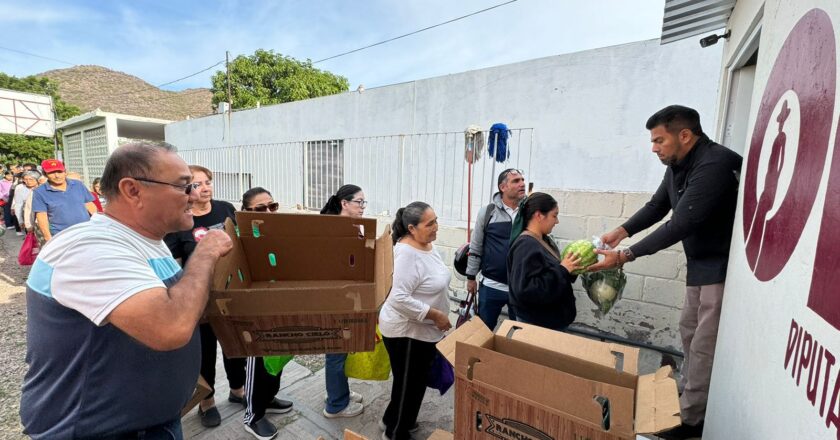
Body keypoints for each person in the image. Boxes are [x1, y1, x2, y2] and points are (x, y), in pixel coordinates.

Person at [20, 141, 233, 439]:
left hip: (153, 421)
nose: (194, 195)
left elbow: (180, 302)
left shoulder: (148, 240)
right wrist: (206, 252)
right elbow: (170, 326)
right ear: (133, 190)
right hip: (99, 431)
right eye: (185, 187)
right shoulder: (89, 247)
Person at [589, 105, 742, 439]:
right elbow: (659, 206)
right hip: (699, 268)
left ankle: (689, 421)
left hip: (721, 269)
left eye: (659, 140)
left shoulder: (716, 163)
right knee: (689, 332)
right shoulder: (677, 164)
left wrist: (624, 255)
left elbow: (682, 222)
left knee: (704, 345)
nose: (653, 148)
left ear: (684, 135)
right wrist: (622, 231)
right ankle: (686, 397)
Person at [163, 165, 254, 428]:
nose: (205, 188)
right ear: (186, 190)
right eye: (197, 184)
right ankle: (207, 401)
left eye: (208, 182)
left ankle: (237, 390)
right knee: (204, 351)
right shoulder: (181, 220)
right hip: (200, 297)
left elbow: (240, 243)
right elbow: (177, 264)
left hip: (230, 292)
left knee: (234, 346)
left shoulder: (226, 209)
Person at [379, 201, 452, 440]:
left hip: (423, 332)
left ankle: (396, 420)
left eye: (436, 221)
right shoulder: (406, 254)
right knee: (409, 385)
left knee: (413, 382)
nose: (436, 227)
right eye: (430, 224)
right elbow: (397, 297)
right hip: (407, 333)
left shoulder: (427, 246)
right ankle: (395, 432)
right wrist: (436, 315)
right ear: (412, 228)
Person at [239, 186, 293, 440]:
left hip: (280, 305)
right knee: (257, 363)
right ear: (246, 212)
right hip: (255, 311)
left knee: (278, 356)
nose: (269, 212)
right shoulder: (241, 238)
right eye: (261, 209)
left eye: (273, 206)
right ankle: (253, 415)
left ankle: (269, 398)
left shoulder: (278, 231)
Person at [319, 184, 368, 419]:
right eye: (359, 202)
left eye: (363, 203)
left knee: (342, 348)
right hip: (334, 297)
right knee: (336, 350)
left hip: (347, 294)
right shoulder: (332, 229)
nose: (362, 207)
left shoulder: (352, 226)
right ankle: (336, 405)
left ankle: (339, 392)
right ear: (344, 203)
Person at [506, 192, 582, 331]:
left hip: (549, 323)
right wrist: (563, 270)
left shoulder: (543, 240)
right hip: (538, 326)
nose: (557, 221)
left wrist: (573, 268)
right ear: (539, 215)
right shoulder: (526, 245)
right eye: (554, 215)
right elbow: (526, 290)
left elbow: (551, 273)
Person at [465, 168, 526, 329]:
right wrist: (471, 277)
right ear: (503, 187)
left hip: (520, 288)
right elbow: (476, 245)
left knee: (519, 335)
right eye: (516, 181)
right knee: (483, 331)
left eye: (522, 180)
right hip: (491, 287)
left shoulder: (529, 212)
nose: (522, 184)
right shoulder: (488, 212)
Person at [31, 159, 96, 241]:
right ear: (45, 174)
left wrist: (97, 224)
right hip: (61, 235)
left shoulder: (78, 185)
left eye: (60, 172)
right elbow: (41, 216)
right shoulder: (40, 192)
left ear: (65, 172)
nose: (57, 175)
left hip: (85, 231)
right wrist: (48, 237)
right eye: (51, 173)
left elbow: (89, 205)